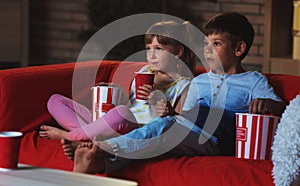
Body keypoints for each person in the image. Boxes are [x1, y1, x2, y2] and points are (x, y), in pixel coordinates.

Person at [70, 12, 287, 174]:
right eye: (206, 44)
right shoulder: (200, 81)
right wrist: (168, 110)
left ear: (238, 49)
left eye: (217, 44)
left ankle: (104, 147)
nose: (208, 50)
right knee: (158, 134)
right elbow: (182, 115)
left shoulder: (252, 81)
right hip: (187, 131)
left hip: (215, 140)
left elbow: (282, 106)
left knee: (165, 129)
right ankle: (101, 162)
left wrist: (265, 103)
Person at [39, 20, 196, 146]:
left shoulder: (184, 84)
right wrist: (117, 93)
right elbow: (132, 105)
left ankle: (70, 136)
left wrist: (167, 110)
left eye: (159, 49)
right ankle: (92, 137)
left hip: (137, 131)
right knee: (55, 101)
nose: (152, 55)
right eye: (148, 48)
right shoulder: (144, 71)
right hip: (117, 123)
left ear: (178, 52)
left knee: (122, 113)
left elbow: (181, 123)